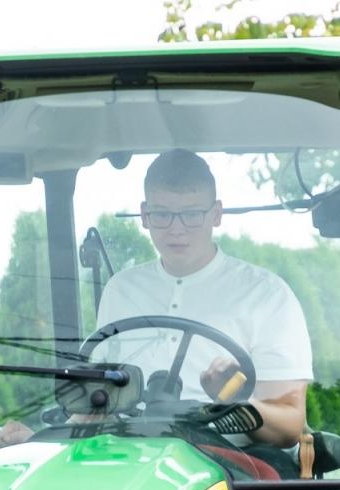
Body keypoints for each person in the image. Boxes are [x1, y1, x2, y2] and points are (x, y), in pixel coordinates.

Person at [93, 148, 313, 447]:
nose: (176, 229)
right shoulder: (120, 290)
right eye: (162, 214)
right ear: (145, 215)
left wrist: (233, 400)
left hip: (231, 468)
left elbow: (288, 428)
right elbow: (96, 402)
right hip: (130, 455)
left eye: (192, 215)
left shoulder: (265, 295)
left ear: (216, 214)